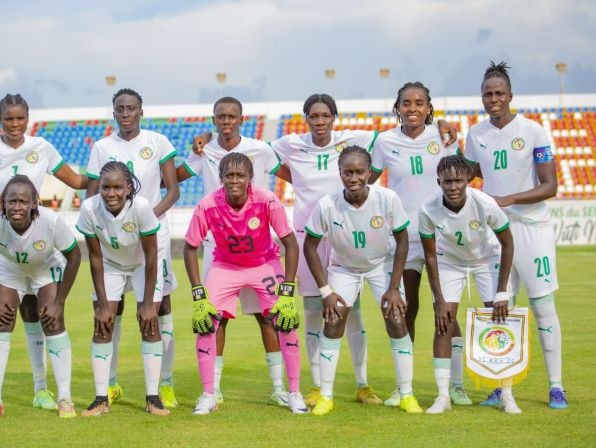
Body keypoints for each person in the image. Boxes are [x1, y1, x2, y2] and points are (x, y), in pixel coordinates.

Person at [196, 93, 457, 407]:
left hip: (343, 232)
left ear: (334, 118)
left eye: (325, 116)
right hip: (307, 235)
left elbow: (397, 132)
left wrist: (437, 123)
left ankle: (362, 384)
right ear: (306, 119)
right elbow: (245, 145)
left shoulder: (353, 138)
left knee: (352, 311)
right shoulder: (289, 144)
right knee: (312, 310)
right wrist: (208, 136)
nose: (319, 122)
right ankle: (319, 386)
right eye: (313, 116)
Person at [0, 93, 87, 415]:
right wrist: (3, 220)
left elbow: (77, 180)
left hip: (35, 242)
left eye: (20, 118)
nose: (14, 124)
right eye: (8, 119)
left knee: (35, 314)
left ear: (28, 119)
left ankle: (41, 390)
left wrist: (113, 173)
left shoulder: (41, 147)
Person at [464, 61, 567, 410]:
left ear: (510, 96)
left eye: (499, 93)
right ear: (481, 97)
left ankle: (556, 386)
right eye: (487, 94)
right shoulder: (475, 134)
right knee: (498, 309)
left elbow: (550, 186)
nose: (493, 99)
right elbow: (469, 172)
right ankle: (500, 386)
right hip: (495, 233)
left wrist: (508, 199)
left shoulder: (533, 131)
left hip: (532, 229)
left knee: (542, 307)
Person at [177, 96, 291, 406]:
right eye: (220, 116)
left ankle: (279, 388)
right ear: (213, 119)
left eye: (231, 116)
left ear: (242, 119)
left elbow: (290, 176)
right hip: (218, 250)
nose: (226, 121)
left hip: (257, 250)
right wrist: (195, 144)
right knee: (215, 320)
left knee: (268, 319)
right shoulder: (204, 150)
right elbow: (175, 177)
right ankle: (212, 391)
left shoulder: (261, 149)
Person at [183, 153, 307, 415]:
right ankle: (209, 394)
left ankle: (292, 392)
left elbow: (291, 243)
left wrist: (288, 290)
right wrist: (197, 292)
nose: (234, 180)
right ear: (221, 178)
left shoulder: (266, 199)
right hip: (226, 267)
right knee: (206, 321)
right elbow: (190, 247)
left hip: (264, 264)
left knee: (286, 320)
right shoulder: (207, 205)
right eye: (229, 175)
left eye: (240, 175)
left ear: (250, 178)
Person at [368, 82, 467, 407]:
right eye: (406, 103)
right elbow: (366, 182)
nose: (412, 108)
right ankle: (404, 386)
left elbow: (460, 178)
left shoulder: (444, 137)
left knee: (447, 309)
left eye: (419, 103)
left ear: (429, 107)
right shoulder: (384, 141)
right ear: (397, 108)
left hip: (442, 236)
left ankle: (456, 385)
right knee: (405, 309)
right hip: (404, 239)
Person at [303, 146, 422, 415]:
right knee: (333, 321)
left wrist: (394, 287)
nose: (353, 178)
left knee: (397, 318)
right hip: (343, 268)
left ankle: (406, 394)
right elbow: (309, 246)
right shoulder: (327, 204)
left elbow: (402, 240)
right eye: (348, 172)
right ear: (340, 173)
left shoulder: (387, 198)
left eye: (359, 172)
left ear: (369, 173)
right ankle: (326, 396)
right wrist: (325, 291)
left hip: (380, 265)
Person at [86, 88, 180, 408]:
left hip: (152, 237)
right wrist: (114, 224)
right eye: (120, 109)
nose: (126, 114)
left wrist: (145, 219)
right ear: (113, 112)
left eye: (131, 108)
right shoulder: (102, 147)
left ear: (141, 111)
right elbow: (91, 195)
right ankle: (110, 385)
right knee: (109, 311)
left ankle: (164, 385)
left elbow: (172, 191)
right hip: (114, 240)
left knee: (158, 309)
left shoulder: (158, 141)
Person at [0, 175, 81, 420]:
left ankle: (64, 398)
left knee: (52, 321)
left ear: (34, 203)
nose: (17, 207)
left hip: (45, 269)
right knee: (1, 321)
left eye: (23, 202)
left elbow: (74, 256)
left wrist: (59, 302)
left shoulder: (50, 221)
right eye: (12, 201)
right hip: (9, 270)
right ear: (3, 202)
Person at [418, 156, 515, 414]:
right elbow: (430, 256)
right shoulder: (427, 208)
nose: (453, 186)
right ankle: (443, 396)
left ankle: (506, 394)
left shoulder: (485, 203)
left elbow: (507, 244)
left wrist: (502, 291)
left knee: (500, 320)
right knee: (443, 323)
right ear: (438, 181)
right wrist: (439, 300)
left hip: (487, 259)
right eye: (447, 181)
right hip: (450, 262)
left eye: (458, 181)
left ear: (468, 181)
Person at [77, 161, 169, 417]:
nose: (111, 193)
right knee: (102, 324)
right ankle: (101, 399)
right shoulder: (89, 208)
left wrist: (148, 304)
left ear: (128, 188)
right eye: (105, 187)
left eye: (118, 187)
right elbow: (95, 257)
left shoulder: (141, 207)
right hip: (110, 266)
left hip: (142, 265)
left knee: (149, 323)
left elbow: (151, 256)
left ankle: (153, 399)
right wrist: (102, 304)